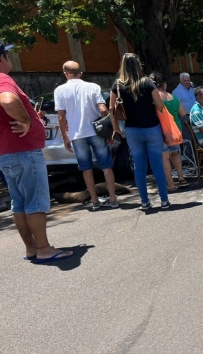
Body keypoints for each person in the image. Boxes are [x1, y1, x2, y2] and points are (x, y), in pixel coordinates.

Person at [0, 42, 74, 263]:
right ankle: (43, 249)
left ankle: (32, 248)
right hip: (24, 152)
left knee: (19, 203)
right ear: (1, 58)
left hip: (8, 153)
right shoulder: (3, 79)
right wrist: (26, 121)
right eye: (7, 53)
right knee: (35, 202)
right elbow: (8, 99)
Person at [54, 60, 118, 210]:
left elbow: (61, 117)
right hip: (95, 131)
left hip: (77, 134)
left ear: (65, 74)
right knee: (106, 166)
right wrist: (108, 130)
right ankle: (113, 199)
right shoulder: (93, 87)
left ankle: (95, 201)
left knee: (86, 168)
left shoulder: (60, 91)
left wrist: (65, 136)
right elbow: (103, 109)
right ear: (81, 73)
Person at [110, 53, 170, 210]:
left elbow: (111, 108)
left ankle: (144, 202)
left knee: (139, 166)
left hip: (131, 130)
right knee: (157, 165)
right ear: (138, 65)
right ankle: (164, 200)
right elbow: (160, 105)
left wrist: (116, 128)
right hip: (151, 127)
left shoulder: (117, 85)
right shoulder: (147, 82)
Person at [149, 71, 189, 191]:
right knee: (175, 153)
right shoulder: (174, 97)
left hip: (162, 131)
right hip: (175, 130)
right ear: (164, 84)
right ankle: (181, 177)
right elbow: (182, 113)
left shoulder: (154, 98)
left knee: (165, 157)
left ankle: (171, 184)